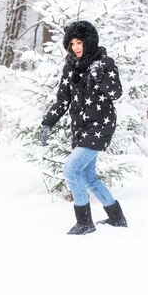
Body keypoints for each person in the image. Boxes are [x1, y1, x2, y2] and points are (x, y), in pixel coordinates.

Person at [39, 20, 127, 235]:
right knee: (89, 177)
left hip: (101, 125)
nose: (76, 47)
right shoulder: (70, 67)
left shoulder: (105, 62)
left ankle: (85, 222)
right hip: (81, 127)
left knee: (71, 170)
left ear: (88, 41)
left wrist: (100, 78)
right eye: (72, 43)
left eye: (79, 42)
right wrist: (47, 122)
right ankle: (117, 218)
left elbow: (116, 93)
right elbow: (62, 100)